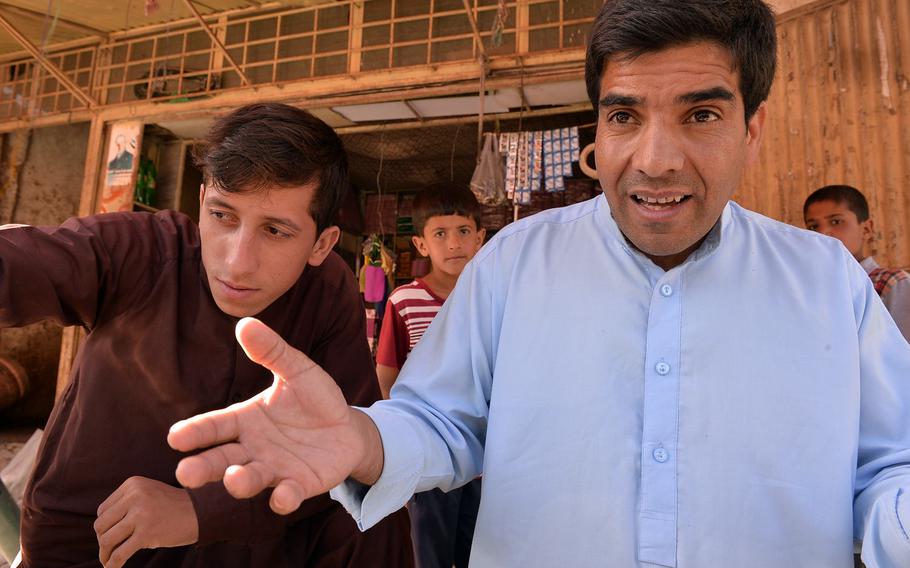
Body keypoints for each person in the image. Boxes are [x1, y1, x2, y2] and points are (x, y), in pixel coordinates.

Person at [168, 2, 910, 567]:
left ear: (753, 129)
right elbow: (441, 421)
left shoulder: (826, 282)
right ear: (599, 128)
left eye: (702, 114)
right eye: (625, 115)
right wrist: (361, 437)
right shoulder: (517, 262)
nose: (655, 159)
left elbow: (889, 467)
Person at [5, 103, 411, 568]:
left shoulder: (329, 292)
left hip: (235, 539)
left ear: (321, 243)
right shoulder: (142, 251)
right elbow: (31, 263)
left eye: (275, 230)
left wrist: (198, 511)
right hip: (95, 545)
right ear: (201, 202)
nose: (237, 262)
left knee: (376, 516)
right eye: (222, 216)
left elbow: (340, 455)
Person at [374, 183, 485, 568]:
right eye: (440, 234)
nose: (454, 243)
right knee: (429, 556)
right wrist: (402, 447)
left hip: (484, 460)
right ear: (422, 245)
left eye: (463, 232)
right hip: (429, 455)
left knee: (480, 553)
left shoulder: (493, 299)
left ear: (480, 238)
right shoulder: (404, 301)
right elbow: (386, 376)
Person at [804, 184, 910, 342]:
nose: (822, 233)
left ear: (866, 229)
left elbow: (904, 354)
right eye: (813, 227)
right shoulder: (809, 289)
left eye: (835, 222)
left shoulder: (892, 283)